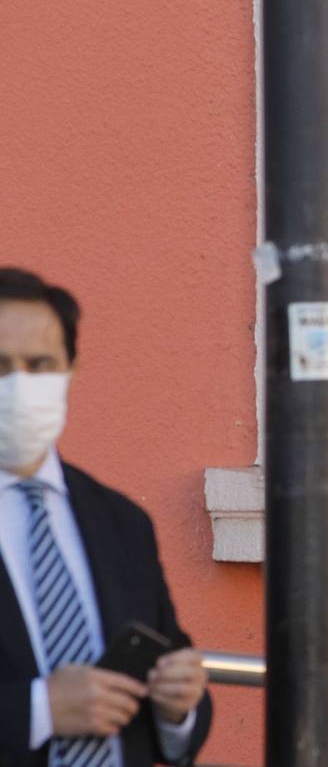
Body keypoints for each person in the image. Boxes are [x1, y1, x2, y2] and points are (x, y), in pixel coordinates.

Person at [0, 268, 212, 766]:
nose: (19, 384)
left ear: (71, 371)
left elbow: (170, 672)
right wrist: (38, 711)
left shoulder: (122, 522)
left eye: (40, 364)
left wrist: (178, 708)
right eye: (0, 365)